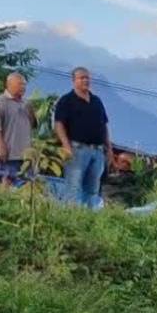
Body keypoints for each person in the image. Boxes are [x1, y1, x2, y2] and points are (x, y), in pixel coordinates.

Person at [54, 67, 112, 209]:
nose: (86, 80)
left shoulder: (96, 101)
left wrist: (108, 148)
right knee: (74, 186)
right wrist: (66, 146)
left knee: (93, 189)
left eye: (87, 77)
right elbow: (58, 124)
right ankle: (72, 220)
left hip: (97, 152)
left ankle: (88, 219)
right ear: (74, 81)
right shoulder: (66, 101)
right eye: (82, 78)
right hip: (77, 150)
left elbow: (104, 125)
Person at [0, 72, 36, 187]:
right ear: (9, 84)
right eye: (20, 84)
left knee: (26, 188)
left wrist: (31, 112)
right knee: (6, 186)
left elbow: (32, 125)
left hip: (26, 156)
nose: (23, 87)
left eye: (24, 85)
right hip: (9, 154)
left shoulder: (26, 103)